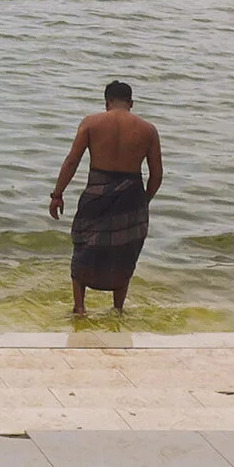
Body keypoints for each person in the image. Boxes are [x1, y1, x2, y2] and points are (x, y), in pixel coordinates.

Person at [49, 80, 164, 316]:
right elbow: (157, 175)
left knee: (84, 245)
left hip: (96, 193)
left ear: (107, 102)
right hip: (132, 196)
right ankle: (118, 309)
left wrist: (57, 194)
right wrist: (144, 201)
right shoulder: (148, 130)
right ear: (131, 103)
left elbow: (72, 161)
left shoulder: (91, 123)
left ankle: (80, 307)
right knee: (124, 250)